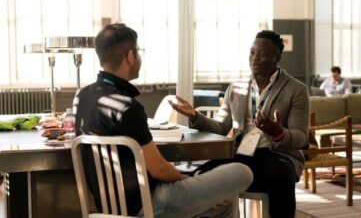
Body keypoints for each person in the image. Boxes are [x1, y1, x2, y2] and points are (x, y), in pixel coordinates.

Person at [73, 23, 253, 218]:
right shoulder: (128, 108)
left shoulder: (82, 96)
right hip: (149, 205)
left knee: (226, 200)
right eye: (139, 51)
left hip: (109, 208)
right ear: (130, 55)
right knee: (243, 171)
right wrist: (188, 181)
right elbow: (158, 169)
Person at [169, 30, 309, 218]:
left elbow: (300, 138)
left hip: (277, 155)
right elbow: (220, 128)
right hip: (242, 153)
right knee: (202, 173)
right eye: (252, 52)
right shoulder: (236, 88)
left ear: (277, 58)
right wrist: (195, 116)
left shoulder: (296, 90)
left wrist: (278, 132)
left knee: (279, 177)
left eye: (263, 54)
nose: (255, 58)